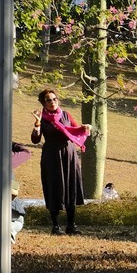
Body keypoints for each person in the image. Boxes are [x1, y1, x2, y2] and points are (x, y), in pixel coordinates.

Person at [31, 88, 90, 235]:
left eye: (54, 99)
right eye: (48, 100)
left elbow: (76, 129)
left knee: (70, 187)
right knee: (53, 187)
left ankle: (71, 226)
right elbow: (35, 140)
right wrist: (37, 124)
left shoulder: (66, 115)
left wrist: (86, 128)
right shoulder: (42, 119)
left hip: (69, 155)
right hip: (51, 156)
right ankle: (55, 226)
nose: (52, 102)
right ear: (43, 103)